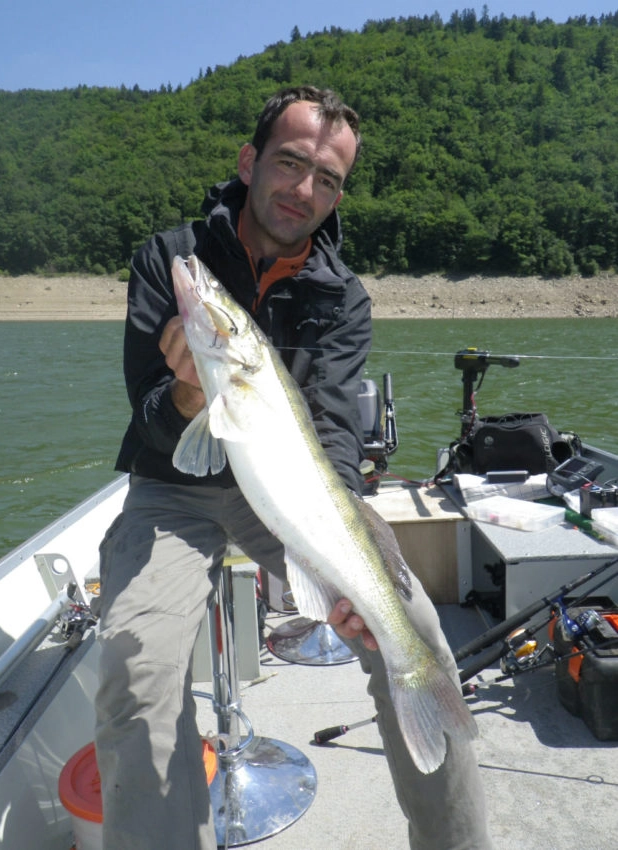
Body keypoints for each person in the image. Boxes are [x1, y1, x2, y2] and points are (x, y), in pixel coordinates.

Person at [95, 85, 492, 850]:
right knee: (135, 677)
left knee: (412, 630)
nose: (305, 189)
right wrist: (184, 390)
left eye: (329, 179)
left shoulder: (343, 299)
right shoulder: (168, 260)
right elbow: (148, 423)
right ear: (250, 162)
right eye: (290, 162)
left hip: (292, 497)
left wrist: (341, 567)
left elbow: (336, 438)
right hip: (170, 493)